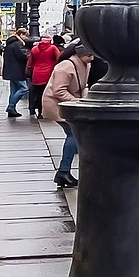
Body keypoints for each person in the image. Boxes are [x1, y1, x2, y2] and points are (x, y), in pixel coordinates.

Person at [42, 41, 95, 188]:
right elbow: (58, 91)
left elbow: (83, 85)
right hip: (56, 104)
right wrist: (78, 101)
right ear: (80, 54)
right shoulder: (65, 67)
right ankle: (63, 172)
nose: (92, 59)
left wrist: (83, 98)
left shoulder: (85, 64)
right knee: (73, 134)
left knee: (76, 135)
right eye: (89, 55)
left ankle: (64, 172)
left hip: (69, 105)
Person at [25, 34, 63, 119]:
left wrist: (28, 72)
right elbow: (59, 58)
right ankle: (41, 112)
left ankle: (33, 108)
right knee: (44, 93)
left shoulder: (35, 49)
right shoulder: (53, 48)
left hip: (36, 73)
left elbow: (30, 63)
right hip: (48, 73)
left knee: (36, 92)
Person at [2, 27, 30, 118]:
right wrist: (28, 55)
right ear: (20, 35)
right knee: (24, 88)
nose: (26, 38)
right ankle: (11, 107)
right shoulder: (18, 44)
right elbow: (22, 57)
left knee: (13, 90)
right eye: (25, 35)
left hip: (10, 71)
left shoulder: (9, 44)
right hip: (17, 71)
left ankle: (12, 109)